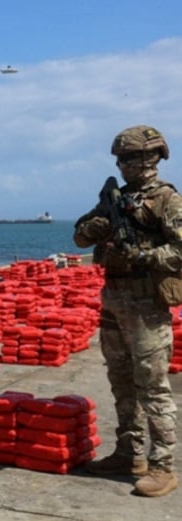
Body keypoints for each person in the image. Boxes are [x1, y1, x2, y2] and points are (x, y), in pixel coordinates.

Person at [74, 125, 179, 497]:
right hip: (114, 300)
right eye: (121, 158)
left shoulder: (167, 200)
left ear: (151, 158)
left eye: (131, 158)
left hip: (147, 303)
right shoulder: (114, 199)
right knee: (121, 382)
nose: (124, 164)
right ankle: (129, 453)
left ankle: (163, 465)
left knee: (152, 387)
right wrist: (96, 227)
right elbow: (79, 235)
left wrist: (144, 255)